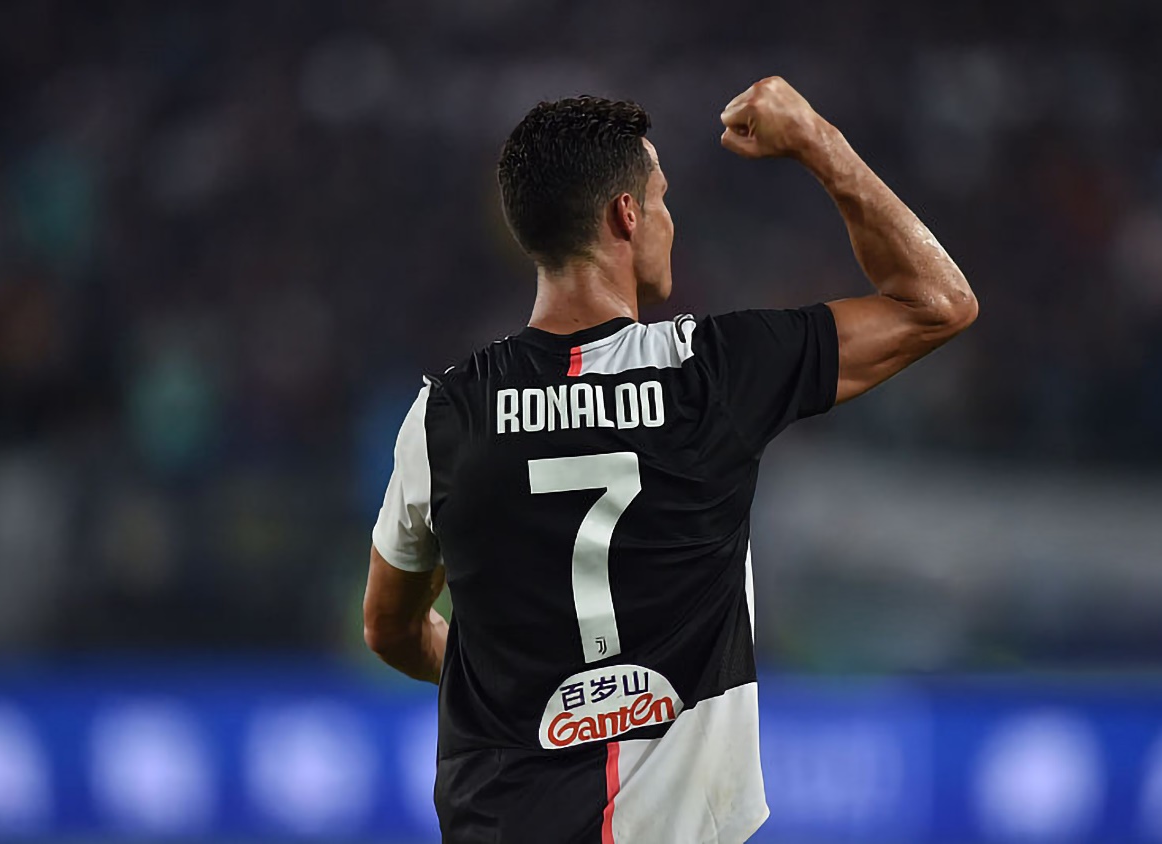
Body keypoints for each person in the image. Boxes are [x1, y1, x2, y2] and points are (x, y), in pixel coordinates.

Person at [363, 76, 977, 843]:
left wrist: (518, 685)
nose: (668, 222)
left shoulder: (445, 416)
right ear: (626, 214)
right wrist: (817, 140)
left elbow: (387, 628)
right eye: (661, 200)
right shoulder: (710, 375)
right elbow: (937, 302)